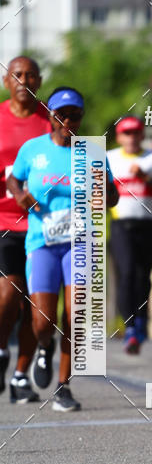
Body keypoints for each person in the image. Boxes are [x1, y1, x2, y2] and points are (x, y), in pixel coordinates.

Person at [8, 87, 118, 412]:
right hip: (42, 243)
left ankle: (63, 386)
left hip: (80, 244)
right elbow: (13, 180)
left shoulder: (93, 152)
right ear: (50, 115)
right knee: (42, 322)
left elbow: (113, 195)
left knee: (77, 314)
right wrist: (19, 196)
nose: (68, 120)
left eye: (75, 115)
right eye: (62, 114)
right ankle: (44, 346)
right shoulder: (33, 150)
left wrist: (104, 196)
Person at [0, 56, 51, 403]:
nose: (24, 80)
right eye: (17, 74)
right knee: (9, 294)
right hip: (4, 222)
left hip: (44, 223)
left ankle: (21, 375)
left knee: (38, 307)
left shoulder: (52, 119)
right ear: (7, 81)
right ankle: (2, 350)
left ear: (39, 81)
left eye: (31, 75)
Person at [107, 116, 152, 354]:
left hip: (148, 224)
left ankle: (141, 320)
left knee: (144, 276)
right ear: (119, 137)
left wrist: (146, 178)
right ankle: (130, 327)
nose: (131, 138)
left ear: (142, 135)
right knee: (127, 273)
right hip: (121, 224)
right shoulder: (109, 158)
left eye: (135, 133)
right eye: (126, 133)